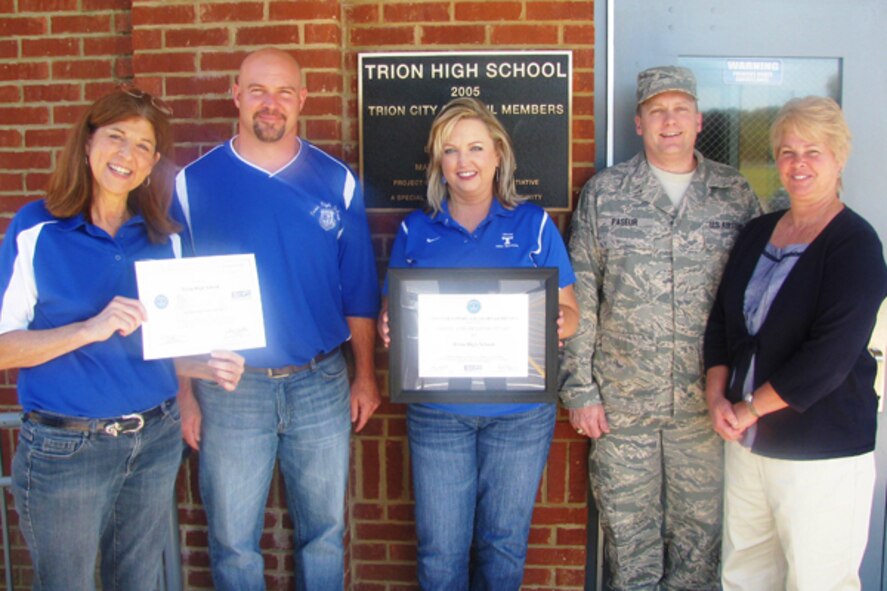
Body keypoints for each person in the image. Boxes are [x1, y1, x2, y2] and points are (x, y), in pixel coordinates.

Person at [0, 88, 243, 590]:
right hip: (67, 448)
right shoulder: (36, 229)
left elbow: (159, 349)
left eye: (142, 145)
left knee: (137, 581)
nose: (126, 155)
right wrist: (89, 328)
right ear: (88, 143)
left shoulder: (163, 238)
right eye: (116, 138)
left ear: (154, 161)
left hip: (152, 439)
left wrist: (206, 365)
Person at [172, 48, 380, 591]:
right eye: (258, 90)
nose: (271, 104)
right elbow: (174, 302)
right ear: (235, 94)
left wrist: (364, 375)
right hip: (229, 389)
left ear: (303, 100)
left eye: (284, 91)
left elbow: (358, 290)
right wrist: (185, 394)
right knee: (234, 541)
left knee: (325, 532)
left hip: (321, 382)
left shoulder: (337, 182)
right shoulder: (193, 185)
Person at [561, 66, 762, 590]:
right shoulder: (606, 194)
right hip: (623, 407)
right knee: (630, 546)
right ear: (638, 122)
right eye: (656, 111)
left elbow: (760, 297)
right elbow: (578, 297)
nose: (668, 122)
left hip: (708, 408)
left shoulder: (734, 195)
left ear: (698, 121)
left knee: (701, 543)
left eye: (679, 111)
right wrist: (580, 389)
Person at [377, 97, 579, 590]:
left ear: (497, 156)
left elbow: (572, 314)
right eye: (450, 151)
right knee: (440, 549)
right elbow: (393, 312)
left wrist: (552, 323)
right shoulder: (415, 229)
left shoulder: (533, 225)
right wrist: (390, 328)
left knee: (503, 544)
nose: (463, 162)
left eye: (474, 148)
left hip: (519, 414)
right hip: (439, 412)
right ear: (438, 164)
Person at [704, 96, 887, 590]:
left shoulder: (855, 245)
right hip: (748, 447)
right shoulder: (758, 232)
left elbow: (828, 358)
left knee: (817, 581)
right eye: (787, 151)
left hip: (820, 451)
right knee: (745, 576)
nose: (798, 163)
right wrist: (718, 396)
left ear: (839, 158)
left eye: (813, 151)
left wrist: (748, 410)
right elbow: (723, 324)